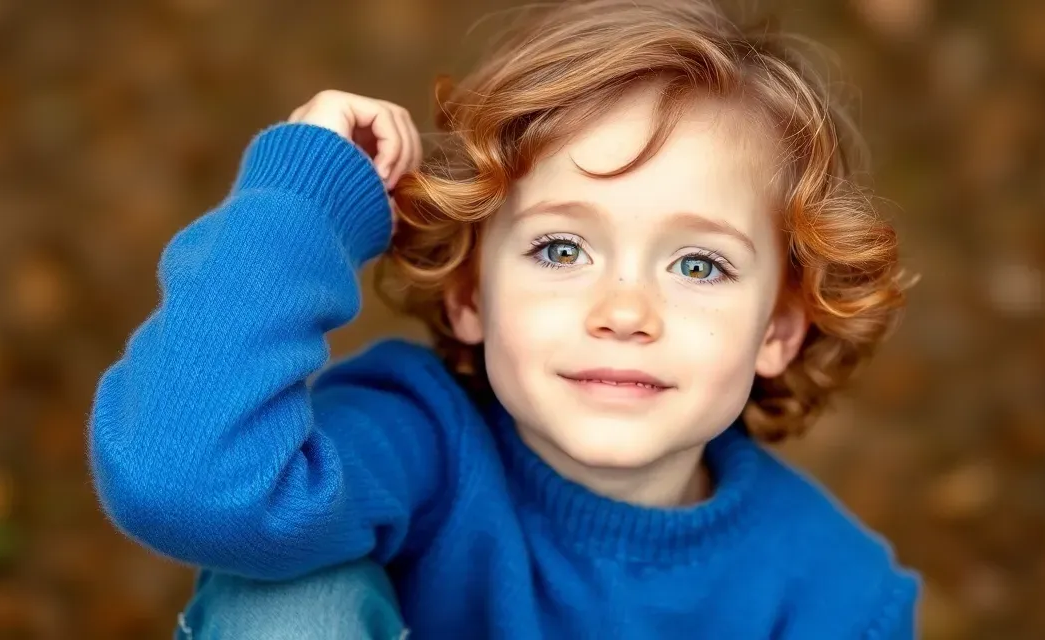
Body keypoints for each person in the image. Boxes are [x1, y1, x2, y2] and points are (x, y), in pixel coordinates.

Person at [89, 0, 919, 637]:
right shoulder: (421, 441)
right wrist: (301, 202)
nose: (625, 311)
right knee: (286, 599)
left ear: (778, 329)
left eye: (698, 265)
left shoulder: (835, 593)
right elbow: (186, 480)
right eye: (562, 250)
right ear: (471, 295)